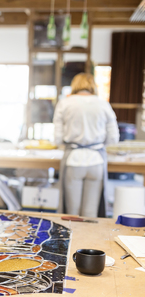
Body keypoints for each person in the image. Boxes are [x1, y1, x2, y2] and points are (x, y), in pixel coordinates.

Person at [53, 73, 119, 218]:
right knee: (90, 214)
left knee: (72, 213)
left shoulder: (65, 103)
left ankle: (72, 240)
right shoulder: (103, 104)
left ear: (74, 85)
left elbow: (57, 138)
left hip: (73, 160)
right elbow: (114, 138)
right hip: (96, 160)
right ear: (92, 86)